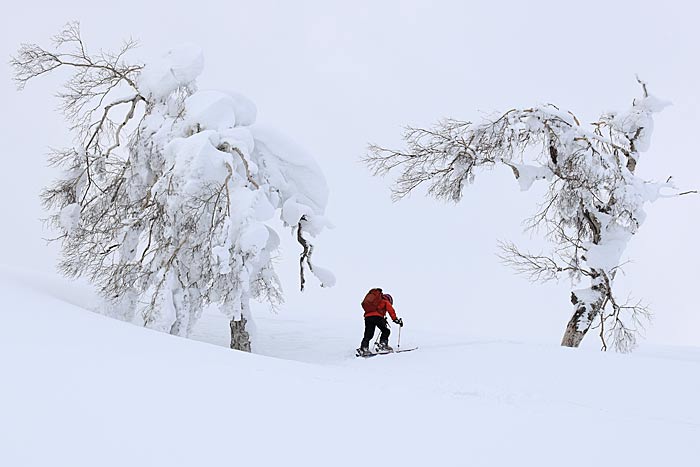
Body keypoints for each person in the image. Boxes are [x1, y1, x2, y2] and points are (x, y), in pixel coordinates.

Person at [357, 289, 403, 356]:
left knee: (368, 333)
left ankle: (364, 347)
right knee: (386, 331)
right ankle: (383, 345)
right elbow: (391, 311)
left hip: (367, 318)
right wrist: (395, 319)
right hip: (377, 317)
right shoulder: (385, 301)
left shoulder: (375, 302)